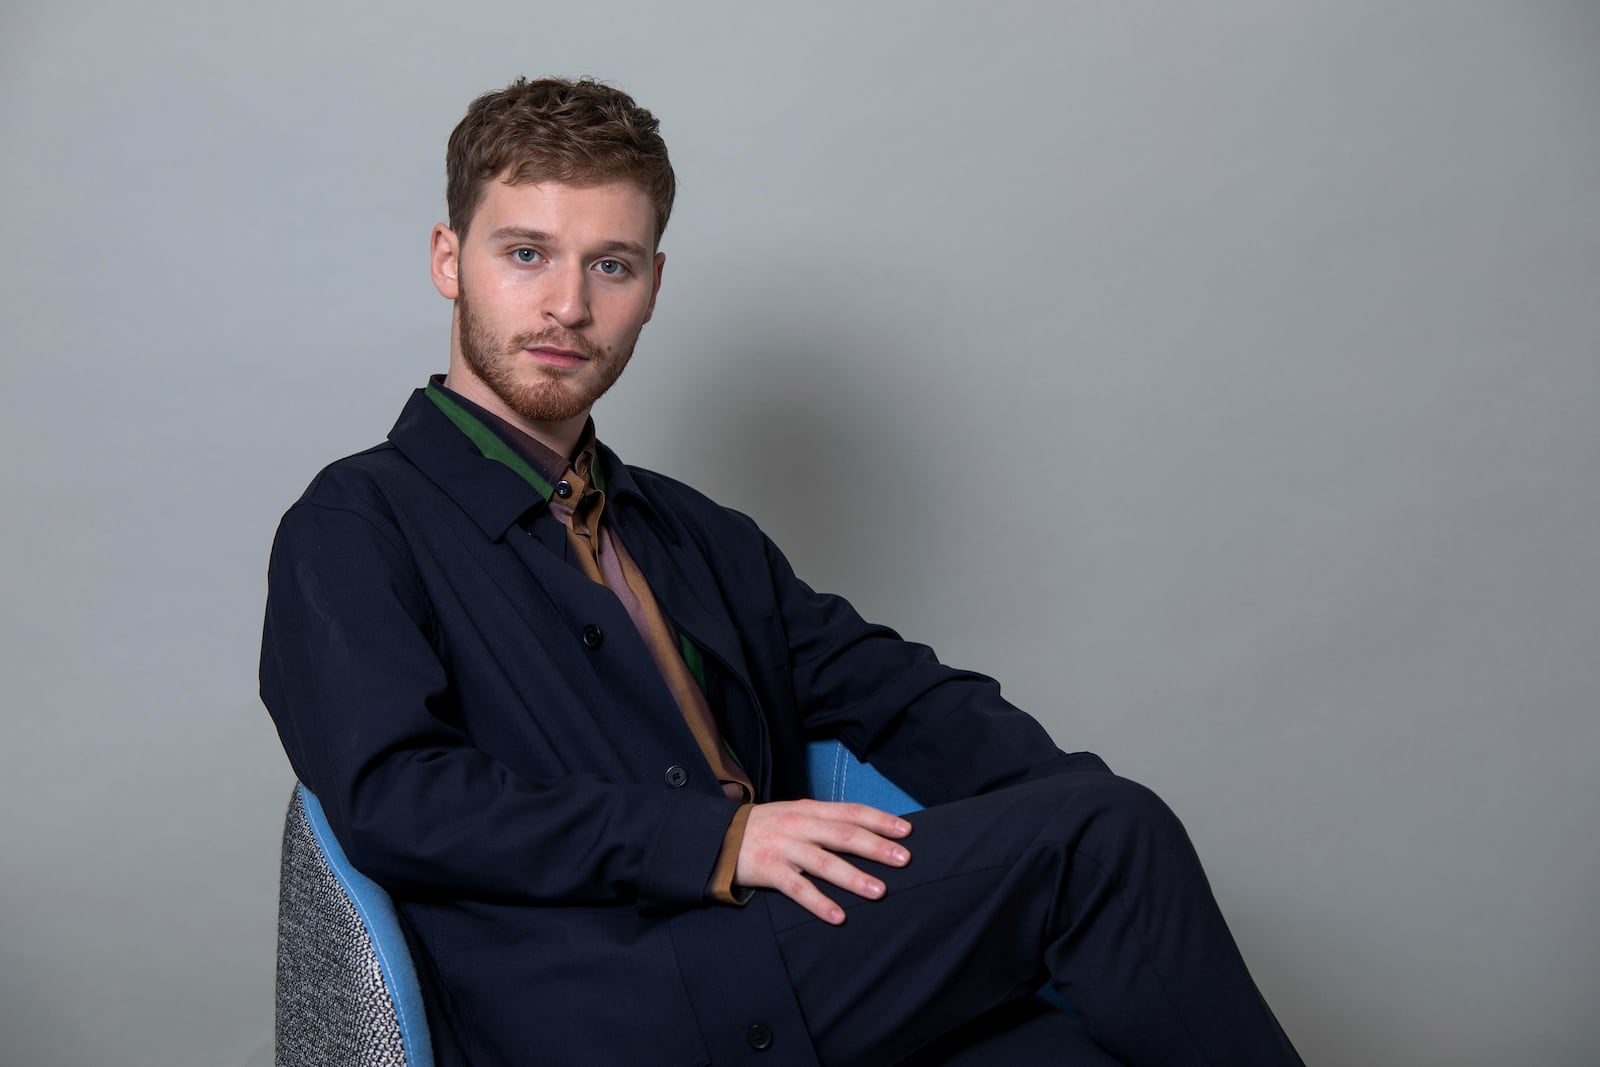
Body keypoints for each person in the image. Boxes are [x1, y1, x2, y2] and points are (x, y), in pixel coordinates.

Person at [260, 76, 1303, 1066]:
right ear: (449, 259)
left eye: (610, 265)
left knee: (1079, 1015)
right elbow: (399, 798)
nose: (567, 306)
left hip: (787, 958)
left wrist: (1079, 813)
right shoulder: (355, 523)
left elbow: (901, 697)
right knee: (1101, 839)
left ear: (653, 286)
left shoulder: (693, 532)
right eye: (526, 254)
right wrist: (720, 838)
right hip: (601, 1009)